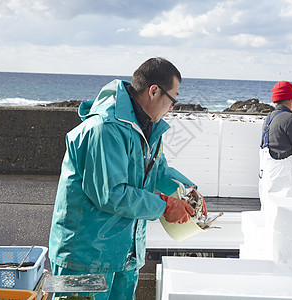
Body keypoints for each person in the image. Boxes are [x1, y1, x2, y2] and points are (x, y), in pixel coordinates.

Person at [48, 57, 207, 299]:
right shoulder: (104, 128)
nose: (172, 106)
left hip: (124, 256)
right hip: (83, 258)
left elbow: (157, 171)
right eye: (173, 98)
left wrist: (188, 190)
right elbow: (110, 194)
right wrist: (165, 206)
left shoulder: (148, 126)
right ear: (154, 91)